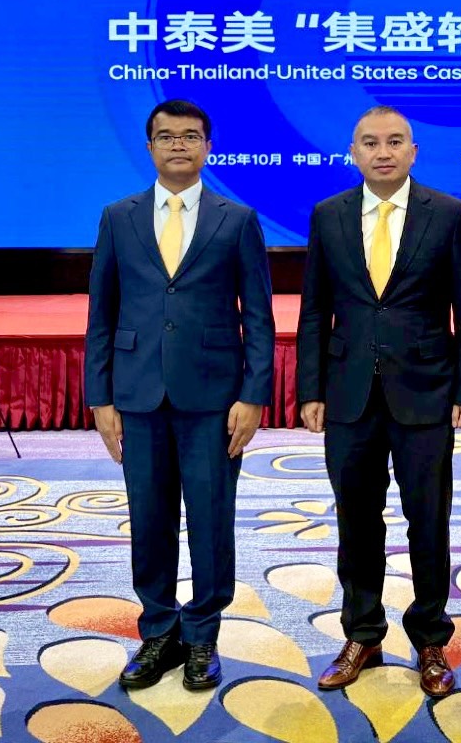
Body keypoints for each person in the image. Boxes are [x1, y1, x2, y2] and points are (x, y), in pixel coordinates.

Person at [85, 99, 275, 692]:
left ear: (207, 147)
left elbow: (259, 317)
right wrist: (100, 398)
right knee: (149, 518)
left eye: (190, 136)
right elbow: (101, 314)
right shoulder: (118, 217)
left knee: (212, 519)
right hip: (137, 394)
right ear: (149, 147)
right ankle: (158, 631)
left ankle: (202, 634)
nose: (178, 145)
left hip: (214, 398)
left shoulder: (236, 219)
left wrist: (253, 394)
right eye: (166, 137)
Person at [296, 105, 461, 698]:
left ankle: (430, 639)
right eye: (371, 142)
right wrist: (310, 388)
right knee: (356, 520)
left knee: (427, 520)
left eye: (395, 141)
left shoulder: (447, 213)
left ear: (413, 151)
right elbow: (313, 310)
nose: (383, 152)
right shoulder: (328, 215)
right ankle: (362, 634)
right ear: (354, 152)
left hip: (426, 391)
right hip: (348, 393)